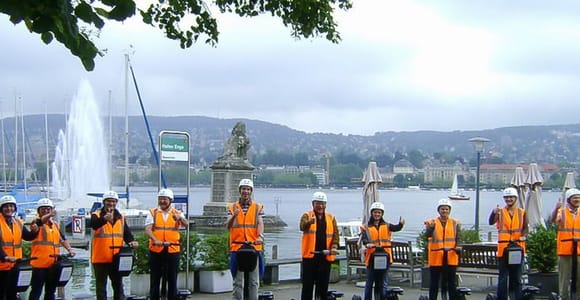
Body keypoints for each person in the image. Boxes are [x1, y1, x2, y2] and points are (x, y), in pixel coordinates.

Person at [90, 190, 139, 300]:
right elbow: (94, 225)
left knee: (118, 286)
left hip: (117, 257)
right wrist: (104, 219)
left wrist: (131, 241)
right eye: (108, 201)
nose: (111, 204)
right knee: (101, 287)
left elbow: (126, 233)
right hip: (101, 257)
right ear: (104, 202)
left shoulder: (120, 217)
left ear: (116, 202)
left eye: (113, 202)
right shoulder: (96, 215)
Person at [145, 188, 188, 300]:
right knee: (155, 278)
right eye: (160, 199)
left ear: (170, 200)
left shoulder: (177, 212)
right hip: (156, 249)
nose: (162, 201)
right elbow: (148, 229)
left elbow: (187, 224)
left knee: (172, 279)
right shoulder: (152, 212)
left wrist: (180, 219)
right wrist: (155, 240)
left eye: (165, 199)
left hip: (172, 249)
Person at [29, 198, 76, 300]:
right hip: (39, 265)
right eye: (43, 209)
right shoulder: (36, 222)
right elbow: (38, 223)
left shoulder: (55, 225)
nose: (46, 211)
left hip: (53, 264)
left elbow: (62, 239)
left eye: (48, 209)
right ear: (38, 211)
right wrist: (50, 215)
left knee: (51, 291)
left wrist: (69, 249)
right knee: (36, 290)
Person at [226, 179, 264, 300]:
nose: (245, 192)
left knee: (254, 281)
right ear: (240, 190)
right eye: (243, 189)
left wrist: (260, 236)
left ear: (251, 191)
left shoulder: (258, 207)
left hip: (253, 246)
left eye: (248, 189)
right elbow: (228, 225)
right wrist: (234, 216)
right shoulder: (232, 207)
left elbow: (260, 223)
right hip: (237, 247)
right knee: (238, 281)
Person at [488, 187, 527, 300]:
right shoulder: (500, 212)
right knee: (503, 277)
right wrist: (493, 212)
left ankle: (517, 297)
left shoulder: (522, 212)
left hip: (518, 248)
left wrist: (523, 236)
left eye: (511, 197)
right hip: (503, 248)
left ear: (515, 198)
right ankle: (502, 298)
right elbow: (491, 222)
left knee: (517, 277)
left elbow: (525, 227)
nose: (509, 199)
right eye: (507, 197)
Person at [299, 191, 339, 300]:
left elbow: (335, 234)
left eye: (322, 203)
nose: (320, 206)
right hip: (310, 256)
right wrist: (309, 223)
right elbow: (302, 226)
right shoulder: (307, 215)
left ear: (325, 204)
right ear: (313, 204)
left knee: (323, 285)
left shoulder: (331, 217)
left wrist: (334, 247)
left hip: (325, 256)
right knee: (307, 285)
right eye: (318, 203)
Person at [361, 201, 405, 300]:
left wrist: (401, 224)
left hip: (385, 257)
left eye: (379, 213)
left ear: (382, 214)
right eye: (375, 212)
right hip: (371, 258)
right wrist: (367, 244)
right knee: (369, 282)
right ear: (372, 213)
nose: (377, 214)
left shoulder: (387, 225)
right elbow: (364, 239)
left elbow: (396, 228)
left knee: (383, 282)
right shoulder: (366, 227)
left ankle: (382, 297)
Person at [0, 195, 39, 299]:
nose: (9, 209)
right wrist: (4, 257)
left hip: (15, 266)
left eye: (11, 206)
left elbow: (28, 237)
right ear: (1, 208)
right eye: (6, 206)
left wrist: (35, 232)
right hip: (1, 266)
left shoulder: (17, 222)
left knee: (12, 294)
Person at [425, 198, 460, 300]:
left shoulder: (454, 223)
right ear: (438, 210)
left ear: (449, 210)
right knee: (434, 282)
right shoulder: (432, 222)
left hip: (450, 256)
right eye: (442, 209)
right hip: (436, 257)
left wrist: (459, 246)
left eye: (446, 209)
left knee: (451, 282)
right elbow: (427, 235)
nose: (444, 211)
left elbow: (459, 237)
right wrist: (430, 228)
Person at [551, 188, 580, 300]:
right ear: (569, 199)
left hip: (578, 250)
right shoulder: (562, 212)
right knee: (564, 278)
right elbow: (554, 220)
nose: (577, 200)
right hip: (565, 249)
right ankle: (564, 297)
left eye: (578, 197)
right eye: (574, 198)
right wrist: (556, 208)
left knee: (579, 277)